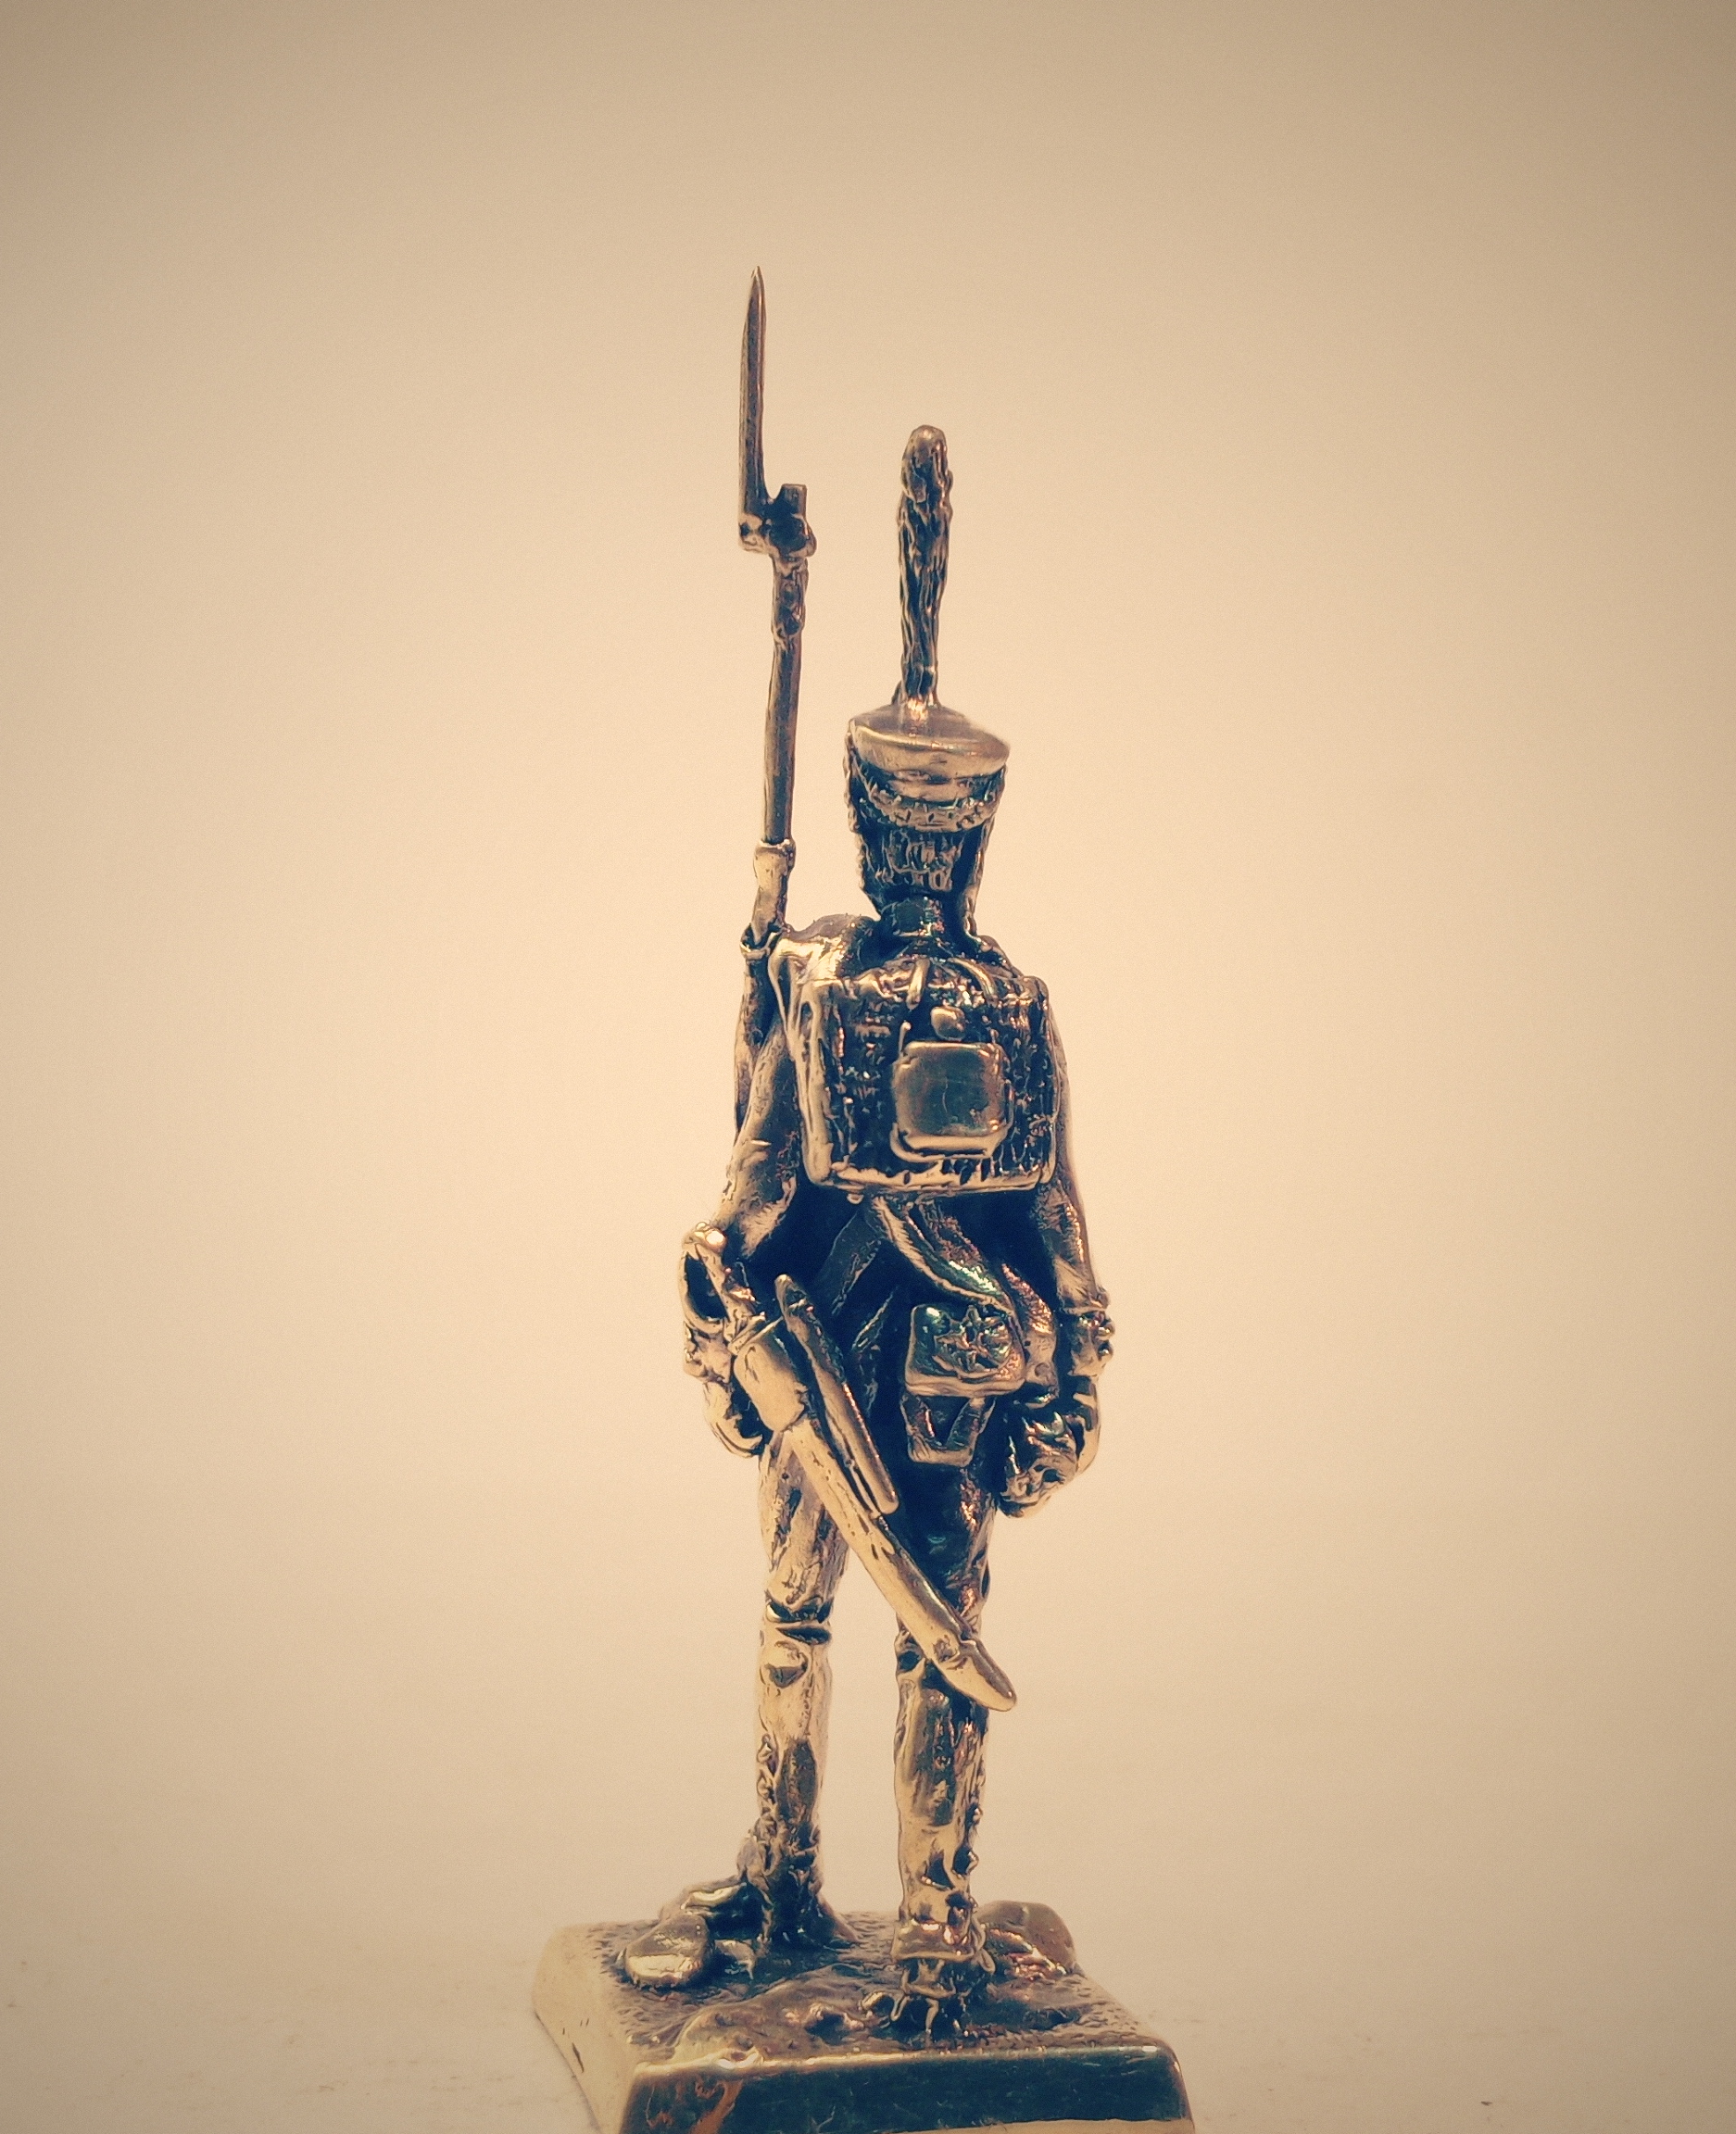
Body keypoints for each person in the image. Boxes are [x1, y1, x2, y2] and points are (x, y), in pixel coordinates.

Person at [622, 429, 1114, 2040]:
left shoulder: (996, 1004)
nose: (918, 859)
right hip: (828, 1348)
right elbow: (766, 1175)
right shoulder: (828, 980)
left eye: (931, 838)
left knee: (924, 1632)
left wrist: (1073, 1368)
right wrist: (723, 1300)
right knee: (814, 1611)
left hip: (938, 1362)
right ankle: (787, 1876)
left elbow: (1047, 1214)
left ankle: (934, 1919)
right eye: (905, 835)